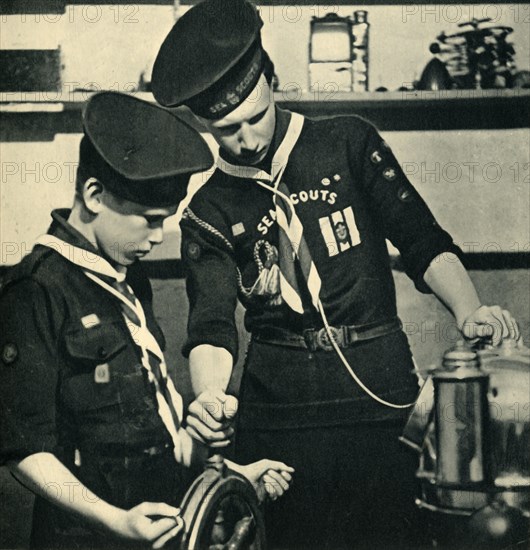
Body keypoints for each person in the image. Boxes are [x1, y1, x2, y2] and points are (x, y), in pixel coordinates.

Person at [151, 1, 520, 548]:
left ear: (272, 82)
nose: (248, 139)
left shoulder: (349, 142)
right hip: (279, 412)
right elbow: (210, 323)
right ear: (202, 123)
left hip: (381, 398)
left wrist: (470, 311)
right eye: (227, 130)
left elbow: (421, 240)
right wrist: (208, 396)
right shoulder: (207, 209)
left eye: (256, 116)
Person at [0, 91, 293, 550]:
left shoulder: (127, 277)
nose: (158, 238)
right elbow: (25, 451)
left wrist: (229, 471)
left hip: (156, 525)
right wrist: (113, 521)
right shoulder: (35, 290)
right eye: (149, 221)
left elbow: (157, 420)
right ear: (94, 196)